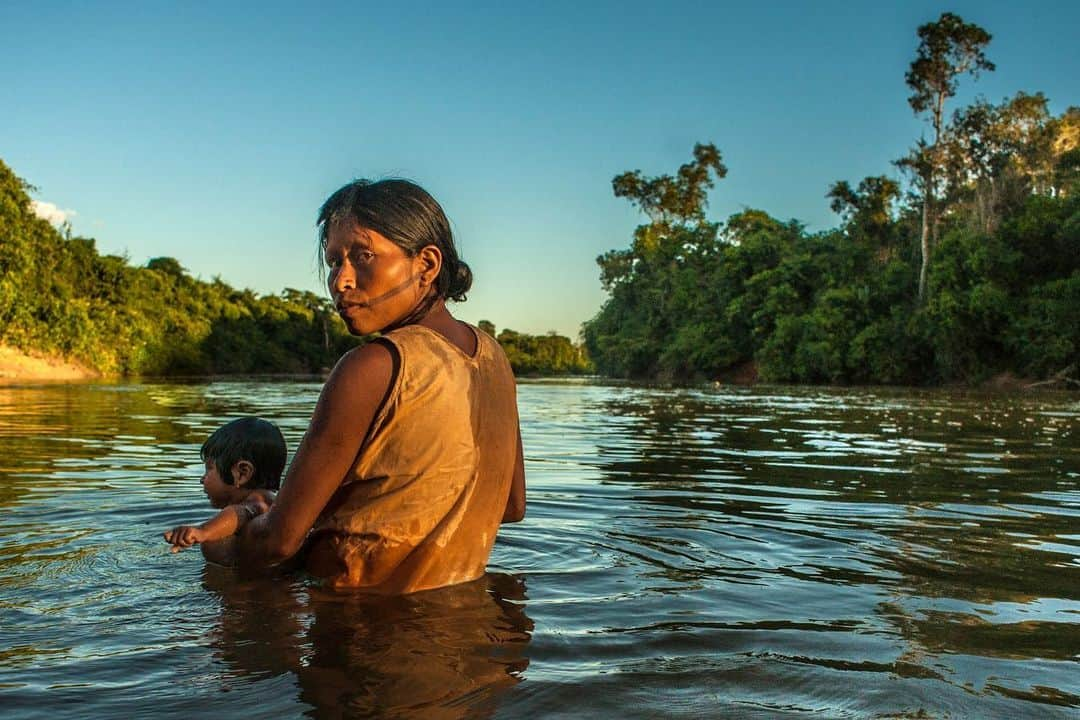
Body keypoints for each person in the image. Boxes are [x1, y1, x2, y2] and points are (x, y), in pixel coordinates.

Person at [205, 178, 525, 593]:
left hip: (362, 633)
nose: (341, 280)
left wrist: (217, 542)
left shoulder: (372, 365)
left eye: (363, 256)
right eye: (334, 262)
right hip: (467, 620)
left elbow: (277, 542)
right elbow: (512, 506)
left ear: (426, 265)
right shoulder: (495, 358)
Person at [164, 417, 287, 554]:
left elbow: (242, 512)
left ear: (242, 473)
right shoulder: (274, 504)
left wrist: (203, 531)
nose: (202, 479)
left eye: (209, 468)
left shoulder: (258, 502)